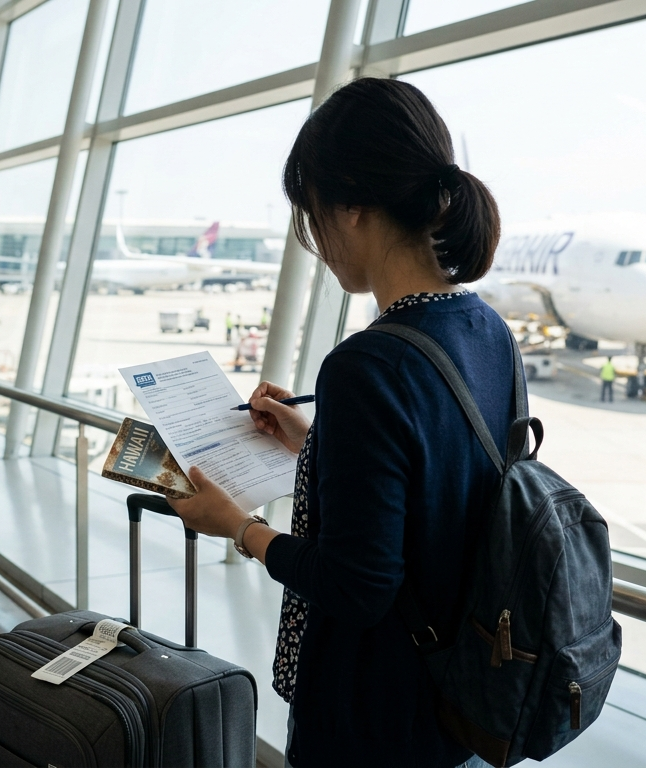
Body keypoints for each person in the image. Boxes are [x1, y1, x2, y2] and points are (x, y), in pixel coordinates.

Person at [166, 78, 505, 768]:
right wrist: (314, 441)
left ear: (350, 204)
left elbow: (358, 584)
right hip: (464, 696)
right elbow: (436, 479)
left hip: (374, 716)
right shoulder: (488, 330)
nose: (316, 240)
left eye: (312, 213)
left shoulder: (365, 365)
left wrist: (238, 525)